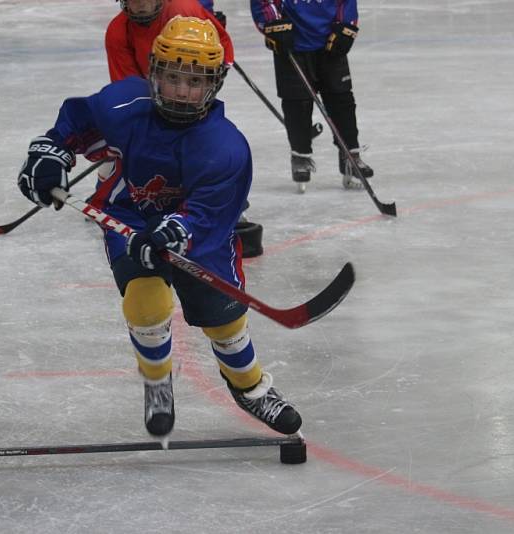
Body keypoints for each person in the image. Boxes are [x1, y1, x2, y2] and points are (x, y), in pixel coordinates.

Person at [17, 16, 301, 438]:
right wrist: (50, 152)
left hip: (197, 235)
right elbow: (75, 124)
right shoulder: (123, 105)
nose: (183, 92)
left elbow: (209, 216)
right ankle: (157, 383)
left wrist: (175, 231)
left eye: (196, 81)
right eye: (172, 78)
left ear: (216, 83)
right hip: (129, 217)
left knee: (223, 321)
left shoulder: (225, 147)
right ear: (153, 74)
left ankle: (250, 387)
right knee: (145, 306)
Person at [107, 0, 264, 258]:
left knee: (207, 150)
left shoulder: (185, 10)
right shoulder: (117, 32)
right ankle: (127, 200)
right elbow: (126, 88)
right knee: (129, 151)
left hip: (192, 92)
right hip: (156, 97)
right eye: (134, 0)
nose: (142, 6)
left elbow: (223, 48)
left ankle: (224, 205)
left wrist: (201, 85)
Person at [250, 0, 374, 193]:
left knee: (342, 101)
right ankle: (300, 156)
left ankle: (350, 154)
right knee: (296, 102)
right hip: (292, 43)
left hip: (330, 41)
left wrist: (346, 25)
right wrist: (273, 23)